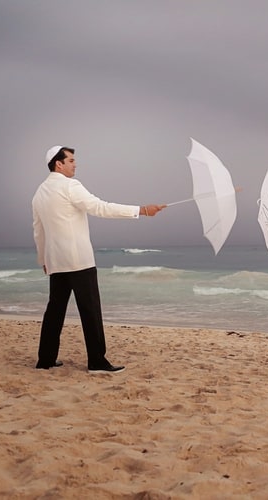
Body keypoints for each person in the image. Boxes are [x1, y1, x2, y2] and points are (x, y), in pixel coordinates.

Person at [32, 145, 166, 373]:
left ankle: (45, 360)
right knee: (90, 310)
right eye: (71, 160)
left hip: (56, 261)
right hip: (79, 260)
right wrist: (141, 210)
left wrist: (43, 259)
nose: (75, 164)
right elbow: (100, 207)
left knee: (54, 310)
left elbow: (38, 230)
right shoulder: (70, 186)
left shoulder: (39, 192)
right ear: (59, 164)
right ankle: (97, 361)